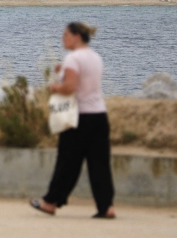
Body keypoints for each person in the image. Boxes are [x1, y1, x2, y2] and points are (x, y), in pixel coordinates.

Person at [31, 21, 115, 219]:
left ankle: (50, 202)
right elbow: (85, 80)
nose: (63, 39)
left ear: (77, 36)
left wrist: (54, 87)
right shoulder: (95, 57)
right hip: (99, 116)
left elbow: (70, 87)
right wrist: (63, 70)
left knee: (67, 163)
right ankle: (107, 206)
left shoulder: (73, 58)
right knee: (99, 164)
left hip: (79, 118)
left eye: (66, 35)